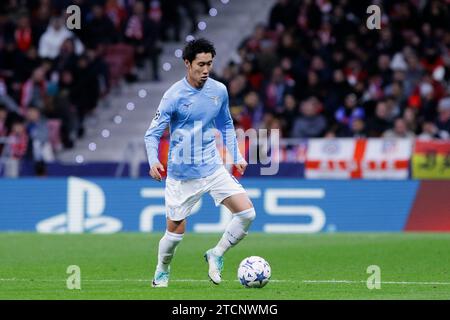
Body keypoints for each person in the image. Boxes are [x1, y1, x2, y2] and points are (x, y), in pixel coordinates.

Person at [144, 38, 255, 288]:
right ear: (187, 63)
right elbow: (151, 133)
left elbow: (226, 124)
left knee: (247, 213)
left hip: (213, 167)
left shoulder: (219, 91)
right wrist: (153, 161)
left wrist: (235, 155)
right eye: (200, 64)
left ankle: (216, 253)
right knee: (174, 236)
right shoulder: (173, 96)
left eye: (210, 64)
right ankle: (162, 270)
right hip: (182, 175)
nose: (206, 70)